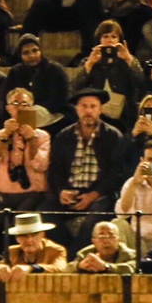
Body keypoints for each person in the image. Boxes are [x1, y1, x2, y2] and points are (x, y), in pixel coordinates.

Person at [46, 88, 126, 254]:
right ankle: (65, 252)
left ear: (100, 109)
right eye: (84, 106)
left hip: (100, 194)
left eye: (93, 106)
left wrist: (95, 194)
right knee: (45, 213)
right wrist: (62, 192)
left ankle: (75, 258)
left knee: (94, 219)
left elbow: (117, 172)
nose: (88, 111)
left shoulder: (113, 136)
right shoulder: (63, 136)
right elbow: (55, 171)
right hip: (71, 192)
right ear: (77, 109)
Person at [75, 21, 147, 131]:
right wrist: (90, 64)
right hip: (96, 112)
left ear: (119, 40)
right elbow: (75, 86)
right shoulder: (88, 60)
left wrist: (128, 60)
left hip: (123, 115)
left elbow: (141, 83)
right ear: (99, 39)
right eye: (105, 36)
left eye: (114, 36)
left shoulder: (127, 59)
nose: (109, 40)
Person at [0, 88, 51, 210]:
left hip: (33, 193)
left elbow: (42, 165)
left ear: (32, 109)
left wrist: (32, 139)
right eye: (15, 103)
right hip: (4, 194)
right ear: (8, 109)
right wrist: (5, 136)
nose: (20, 108)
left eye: (25, 104)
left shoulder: (42, 136)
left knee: (21, 217)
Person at [0, 35, 73, 135]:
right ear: (20, 55)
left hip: (54, 114)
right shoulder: (16, 72)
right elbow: (8, 97)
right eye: (26, 52)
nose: (32, 55)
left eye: (35, 50)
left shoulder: (55, 70)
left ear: (41, 51)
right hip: (21, 113)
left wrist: (32, 109)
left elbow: (61, 100)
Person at [0, 212, 68, 278]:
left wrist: (31, 268)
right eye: (23, 235)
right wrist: (0, 267)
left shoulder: (56, 250)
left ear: (42, 235)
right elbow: (1, 264)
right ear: (17, 238)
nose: (29, 240)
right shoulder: (12, 251)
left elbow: (60, 268)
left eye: (34, 235)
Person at [68, 220, 137, 274]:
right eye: (101, 236)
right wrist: (79, 266)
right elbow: (67, 269)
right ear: (94, 241)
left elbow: (132, 269)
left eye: (111, 236)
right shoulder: (85, 253)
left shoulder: (130, 254)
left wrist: (106, 267)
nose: (106, 240)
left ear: (118, 240)